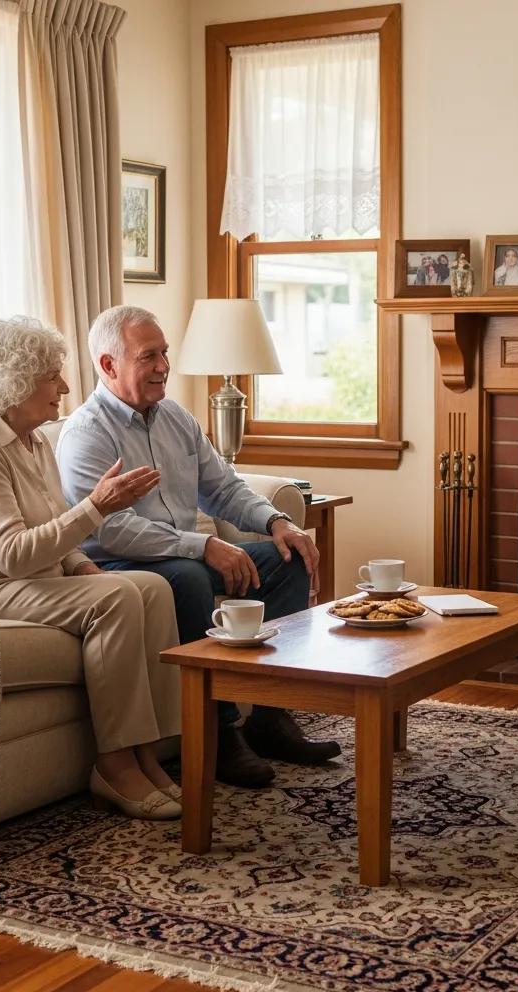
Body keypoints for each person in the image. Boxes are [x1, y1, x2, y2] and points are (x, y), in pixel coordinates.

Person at [56, 306, 341, 789]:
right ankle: (216, 731)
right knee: (186, 578)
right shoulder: (87, 433)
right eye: (150, 356)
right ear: (109, 365)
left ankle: (270, 716)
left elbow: (224, 489)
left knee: (287, 559)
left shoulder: (176, 418)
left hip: (186, 551)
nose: (165, 366)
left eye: (164, 353)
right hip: (122, 568)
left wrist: (277, 521)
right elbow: (112, 530)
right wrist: (202, 545)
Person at [0, 317, 184, 821]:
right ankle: (113, 764)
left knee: (151, 587)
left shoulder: (35, 440)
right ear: (16, 382)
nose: (65, 386)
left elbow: (52, 528)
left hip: (32, 581)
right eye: (52, 376)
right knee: (115, 598)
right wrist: (97, 506)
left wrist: (85, 565)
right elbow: (12, 554)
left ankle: (149, 753)